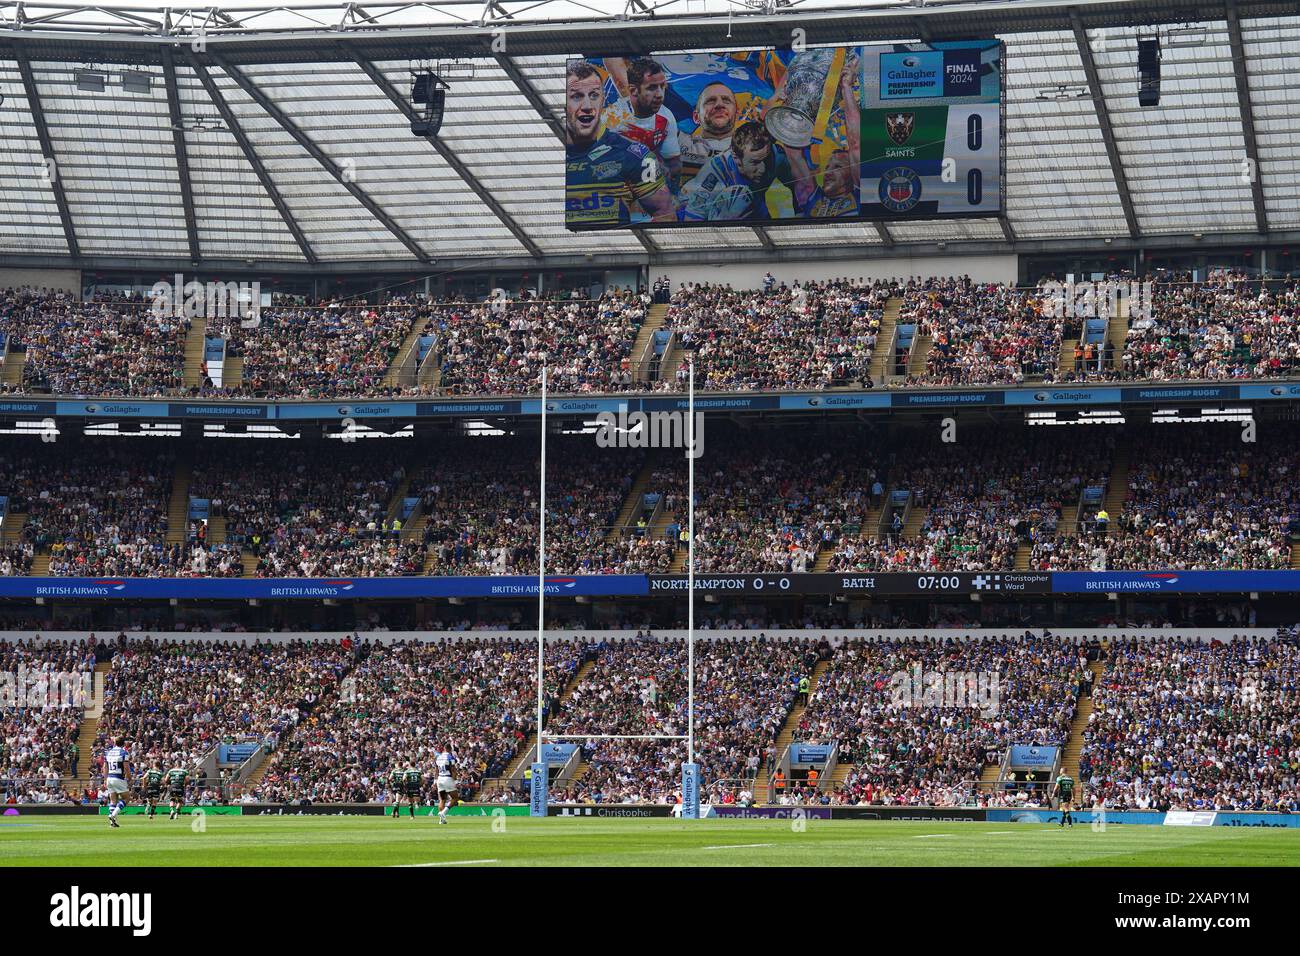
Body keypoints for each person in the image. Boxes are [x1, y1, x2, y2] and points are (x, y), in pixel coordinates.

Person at [564, 61, 677, 228]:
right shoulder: (543, 152)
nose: (587, 106)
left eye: (594, 95)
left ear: (603, 99)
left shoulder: (638, 155)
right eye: (576, 96)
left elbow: (665, 214)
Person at [602, 57, 683, 189]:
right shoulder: (610, 119)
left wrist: (670, 179)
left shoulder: (666, 117)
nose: (660, 94)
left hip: (648, 184)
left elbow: (674, 163)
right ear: (633, 90)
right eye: (652, 88)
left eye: (662, 87)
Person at [103, 738, 129, 829]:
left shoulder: (108, 752)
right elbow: (126, 767)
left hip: (109, 778)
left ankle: (112, 823)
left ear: (115, 743)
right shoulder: (124, 752)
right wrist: (129, 778)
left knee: (113, 800)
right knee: (126, 798)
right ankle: (113, 815)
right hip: (118, 778)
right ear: (123, 743)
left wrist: (105, 780)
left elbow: (105, 767)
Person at [435, 748, 458, 824]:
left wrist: (435, 780)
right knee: (455, 798)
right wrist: (455, 780)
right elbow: (453, 769)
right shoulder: (450, 757)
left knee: (442, 800)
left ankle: (441, 820)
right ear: (450, 749)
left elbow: (436, 770)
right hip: (447, 778)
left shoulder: (438, 757)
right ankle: (443, 812)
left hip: (440, 779)